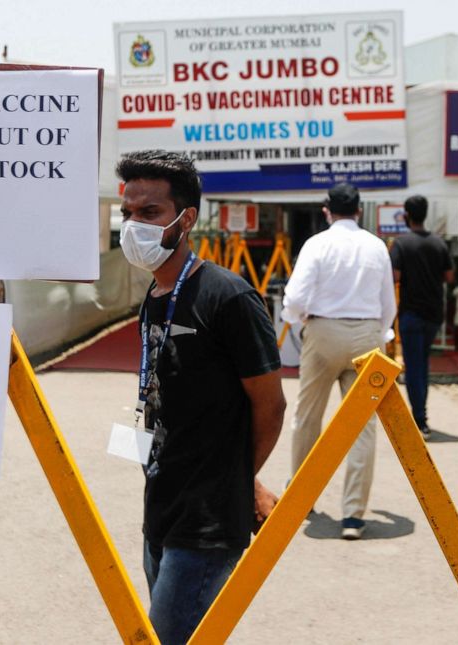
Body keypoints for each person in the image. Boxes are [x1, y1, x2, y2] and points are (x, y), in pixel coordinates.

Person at [116, 150, 285, 644]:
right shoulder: (154, 297)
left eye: (150, 214)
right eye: (128, 214)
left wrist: (238, 480)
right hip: (161, 508)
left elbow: (270, 406)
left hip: (208, 522)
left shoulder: (228, 298)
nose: (134, 227)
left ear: (185, 219)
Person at [281, 182, 396, 540]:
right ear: (359, 210)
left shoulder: (317, 244)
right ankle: (353, 515)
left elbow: (296, 296)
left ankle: (303, 497)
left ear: (326, 210)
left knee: (307, 416)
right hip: (366, 335)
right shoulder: (376, 246)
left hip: (324, 332)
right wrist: (384, 333)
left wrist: (296, 318)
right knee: (362, 425)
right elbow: (388, 303)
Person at [390, 195, 454, 440]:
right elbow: (449, 277)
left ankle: (420, 419)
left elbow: (394, 276)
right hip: (433, 314)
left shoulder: (401, 244)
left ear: (406, 215)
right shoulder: (439, 244)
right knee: (422, 365)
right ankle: (420, 414)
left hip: (411, 314)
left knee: (414, 367)